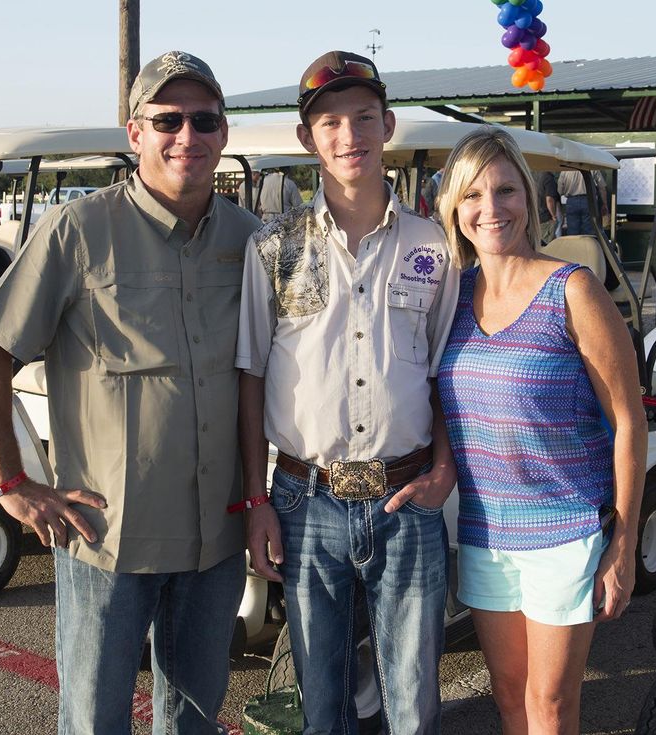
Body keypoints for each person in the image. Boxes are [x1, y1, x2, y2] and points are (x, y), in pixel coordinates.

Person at [0, 49, 261, 734]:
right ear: (135, 133)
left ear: (224, 134)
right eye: (168, 120)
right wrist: (10, 481)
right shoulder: (79, 231)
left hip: (215, 539)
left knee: (192, 719)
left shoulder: (250, 240)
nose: (188, 136)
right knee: (94, 720)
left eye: (205, 120)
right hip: (108, 538)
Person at [237, 50, 461, 734]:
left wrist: (444, 469)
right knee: (321, 696)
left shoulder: (434, 245)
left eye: (364, 117)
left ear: (388, 125)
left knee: (413, 697)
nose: (348, 134)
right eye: (329, 121)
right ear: (307, 138)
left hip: (407, 496)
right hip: (306, 500)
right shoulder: (273, 246)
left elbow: (445, 370)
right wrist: (256, 501)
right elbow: (249, 377)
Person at [436, 127, 647, 734]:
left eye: (505, 190)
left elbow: (630, 421)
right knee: (508, 698)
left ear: (530, 198)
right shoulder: (451, 297)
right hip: (485, 532)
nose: (490, 208)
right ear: (453, 207)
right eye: (472, 194)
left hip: (566, 534)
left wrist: (624, 546)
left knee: (551, 705)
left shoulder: (572, 290)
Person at [557, 169, 607, 236]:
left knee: (572, 232)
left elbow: (560, 190)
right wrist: (604, 204)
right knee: (588, 232)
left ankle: (574, 245)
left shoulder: (565, 170)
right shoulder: (592, 167)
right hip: (588, 201)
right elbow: (602, 187)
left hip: (572, 202)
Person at [535, 170, 560, 244]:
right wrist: (554, 215)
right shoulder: (549, 178)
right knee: (548, 244)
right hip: (546, 217)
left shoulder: (536, 176)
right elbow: (549, 199)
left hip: (537, 216)